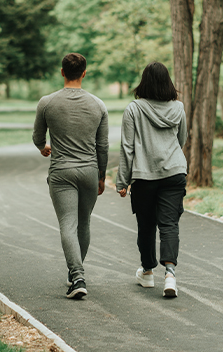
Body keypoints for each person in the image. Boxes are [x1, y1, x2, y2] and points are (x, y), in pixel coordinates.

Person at [33, 53, 109, 299]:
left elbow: (37, 137)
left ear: (62, 72)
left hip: (61, 172)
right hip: (89, 170)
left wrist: (44, 147)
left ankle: (77, 275)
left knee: (68, 223)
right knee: (83, 222)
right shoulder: (98, 105)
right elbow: (103, 146)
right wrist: (101, 176)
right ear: (84, 73)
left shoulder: (47, 102)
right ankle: (76, 273)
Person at [116, 62, 187, 298]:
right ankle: (170, 275)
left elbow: (127, 148)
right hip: (174, 172)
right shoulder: (179, 108)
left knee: (146, 225)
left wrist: (122, 181)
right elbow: (181, 139)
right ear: (168, 82)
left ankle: (147, 272)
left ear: (144, 82)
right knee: (169, 224)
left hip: (144, 176)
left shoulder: (134, 109)